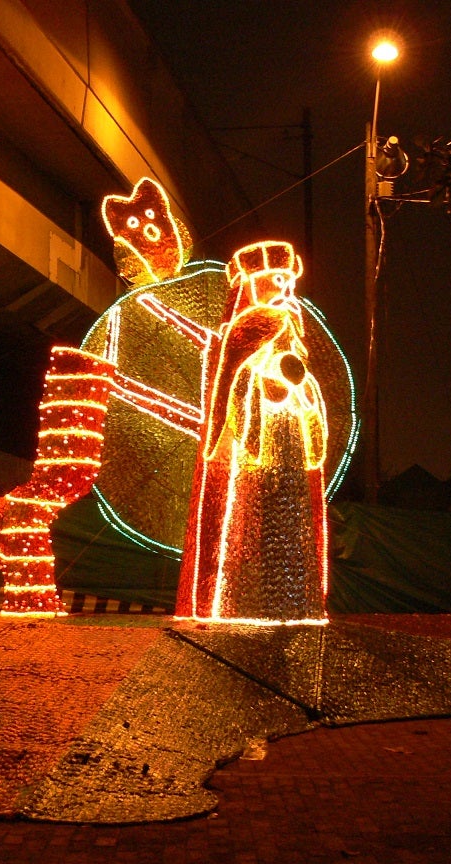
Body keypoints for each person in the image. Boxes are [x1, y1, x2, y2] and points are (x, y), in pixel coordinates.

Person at [177, 241, 328, 624]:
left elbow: (302, 373)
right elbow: (232, 376)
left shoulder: (293, 321)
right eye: (278, 279)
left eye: (290, 280)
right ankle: (238, 598)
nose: (286, 288)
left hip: (289, 429)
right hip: (255, 433)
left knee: (289, 513)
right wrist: (267, 377)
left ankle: (295, 598)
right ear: (255, 282)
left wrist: (303, 394)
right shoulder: (249, 324)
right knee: (247, 514)